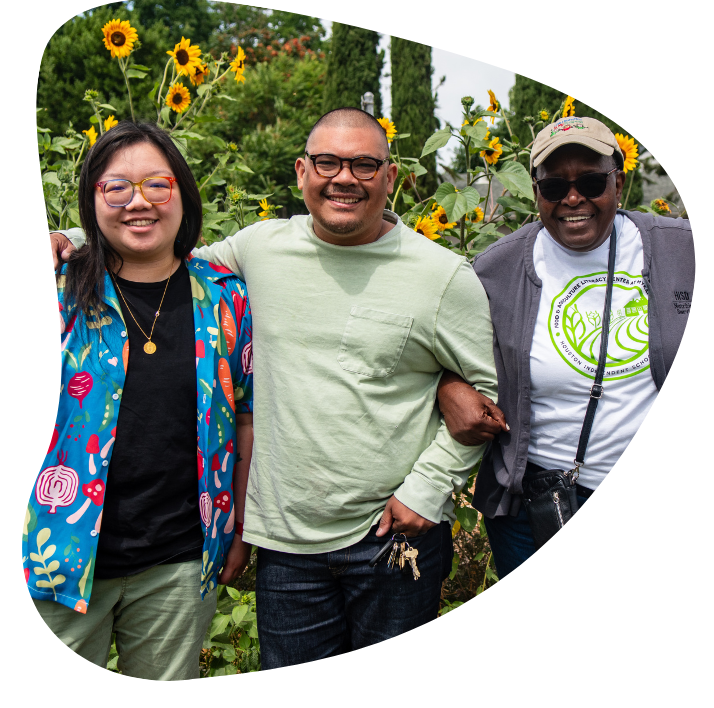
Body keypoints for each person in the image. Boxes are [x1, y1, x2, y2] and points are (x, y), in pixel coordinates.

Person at [49, 108, 502, 669]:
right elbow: (158, 250)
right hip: (285, 546)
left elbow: (485, 397)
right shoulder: (257, 250)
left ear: (392, 178)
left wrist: (428, 488)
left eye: (365, 164)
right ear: (301, 172)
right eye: (327, 162)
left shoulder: (442, 277)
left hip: (390, 536)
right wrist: (72, 238)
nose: (344, 178)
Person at [30, 121, 254, 680]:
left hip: (179, 560)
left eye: (158, 184)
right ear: (93, 199)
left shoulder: (225, 296)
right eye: (117, 187)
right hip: (54, 553)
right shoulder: (62, 289)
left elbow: (244, 416)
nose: (139, 202)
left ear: (182, 193)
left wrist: (240, 527)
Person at [437, 116, 695, 578]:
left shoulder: (680, 251)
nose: (573, 198)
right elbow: (445, 351)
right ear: (536, 191)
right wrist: (448, 388)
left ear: (618, 181)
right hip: (537, 504)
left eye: (592, 181)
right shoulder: (497, 269)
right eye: (554, 187)